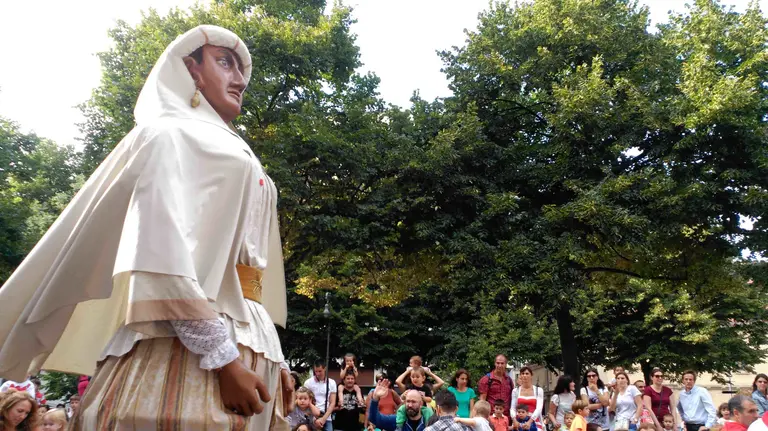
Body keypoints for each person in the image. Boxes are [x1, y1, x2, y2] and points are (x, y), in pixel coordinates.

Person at [0, 25, 293, 430]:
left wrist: (273, 359)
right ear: (190, 68)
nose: (240, 79)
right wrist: (224, 360)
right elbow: (160, 257)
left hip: (249, 346)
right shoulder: (165, 135)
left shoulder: (236, 149)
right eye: (225, 62)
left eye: (241, 69)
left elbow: (247, 276)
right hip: (182, 353)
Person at [368, 379, 433, 431]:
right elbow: (374, 419)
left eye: (413, 402)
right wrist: (375, 398)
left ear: (421, 404)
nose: (410, 405)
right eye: (408, 401)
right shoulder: (397, 420)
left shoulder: (430, 423)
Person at [304, 361, 337, 431]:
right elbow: (305, 400)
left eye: (320, 371)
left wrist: (323, 419)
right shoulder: (308, 383)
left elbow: (332, 403)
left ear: (325, 369)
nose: (318, 374)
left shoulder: (331, 383)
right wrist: (314, 419)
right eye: (316, 371)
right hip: (312, 415)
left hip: (326, 416)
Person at [512, 366, 544, 431]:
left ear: (531, 375)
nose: (524, 375)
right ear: (520, 375)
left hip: (534, 421)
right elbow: (512, 408)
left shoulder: (538, 390)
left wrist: (529, 422)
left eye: (527, 373)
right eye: (522, 373)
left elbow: (539, 408)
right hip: (519, 421)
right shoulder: (516, 391)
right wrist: (514, 420)